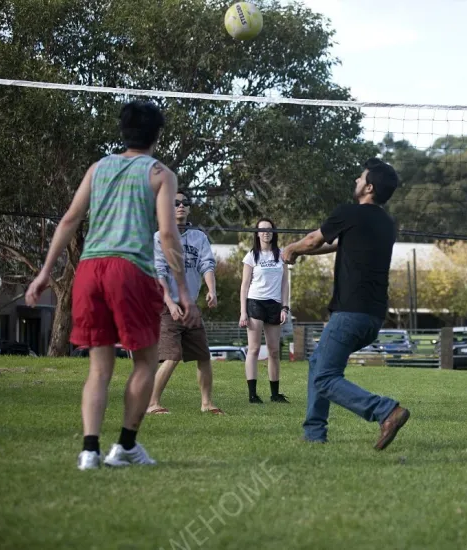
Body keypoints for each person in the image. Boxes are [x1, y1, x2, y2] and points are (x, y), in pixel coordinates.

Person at [24, 100, 200, 470]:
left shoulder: (98, 168)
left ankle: (89, 452)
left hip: (89, 270)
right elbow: (168, 234)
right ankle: (124, 447)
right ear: (156, 135)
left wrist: (44, 272)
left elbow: (70, 218)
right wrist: (183, 287)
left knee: (99, 369)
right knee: (146, 362)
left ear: (124, 131)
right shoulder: (160, 173)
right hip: (129, 270)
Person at [282, 158, 410, 450]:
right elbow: (335, 244)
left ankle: (386, 410)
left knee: (325, 378)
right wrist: (301, 253)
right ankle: (314, 433)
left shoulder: (349, 213)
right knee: (318, 365)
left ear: (369, 187)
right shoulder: (386, 224)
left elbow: (315, 240)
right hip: (373, 317)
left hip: (350, 312)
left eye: (360, 177)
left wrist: (291, 248)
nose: (355, 180)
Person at [146, 190, 223, 415]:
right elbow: (159, 272)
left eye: (185, 203)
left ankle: (207, 404)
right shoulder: (160, 237)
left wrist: (212, 290)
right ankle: (152, 403)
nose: (180, 206)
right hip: (168, 306)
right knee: (172, 356)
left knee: (203, 356)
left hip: (191, 307)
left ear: (189, 209)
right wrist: (169, 303)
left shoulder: (199, 237)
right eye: (176, 203)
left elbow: (207, 264)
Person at [239, 218, 290, 404]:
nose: (266, 233)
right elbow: (244, 286)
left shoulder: (281, 255)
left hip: (274, 304)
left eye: (269, 229)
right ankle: (253, 394)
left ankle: (275, 394)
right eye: (262, 230)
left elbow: (285, 284)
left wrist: (285, 307)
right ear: (257, 233)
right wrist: (243, 312)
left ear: (274, 233)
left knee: (274, 351)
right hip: (255, 303)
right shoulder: (252, 256)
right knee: (253, 349)